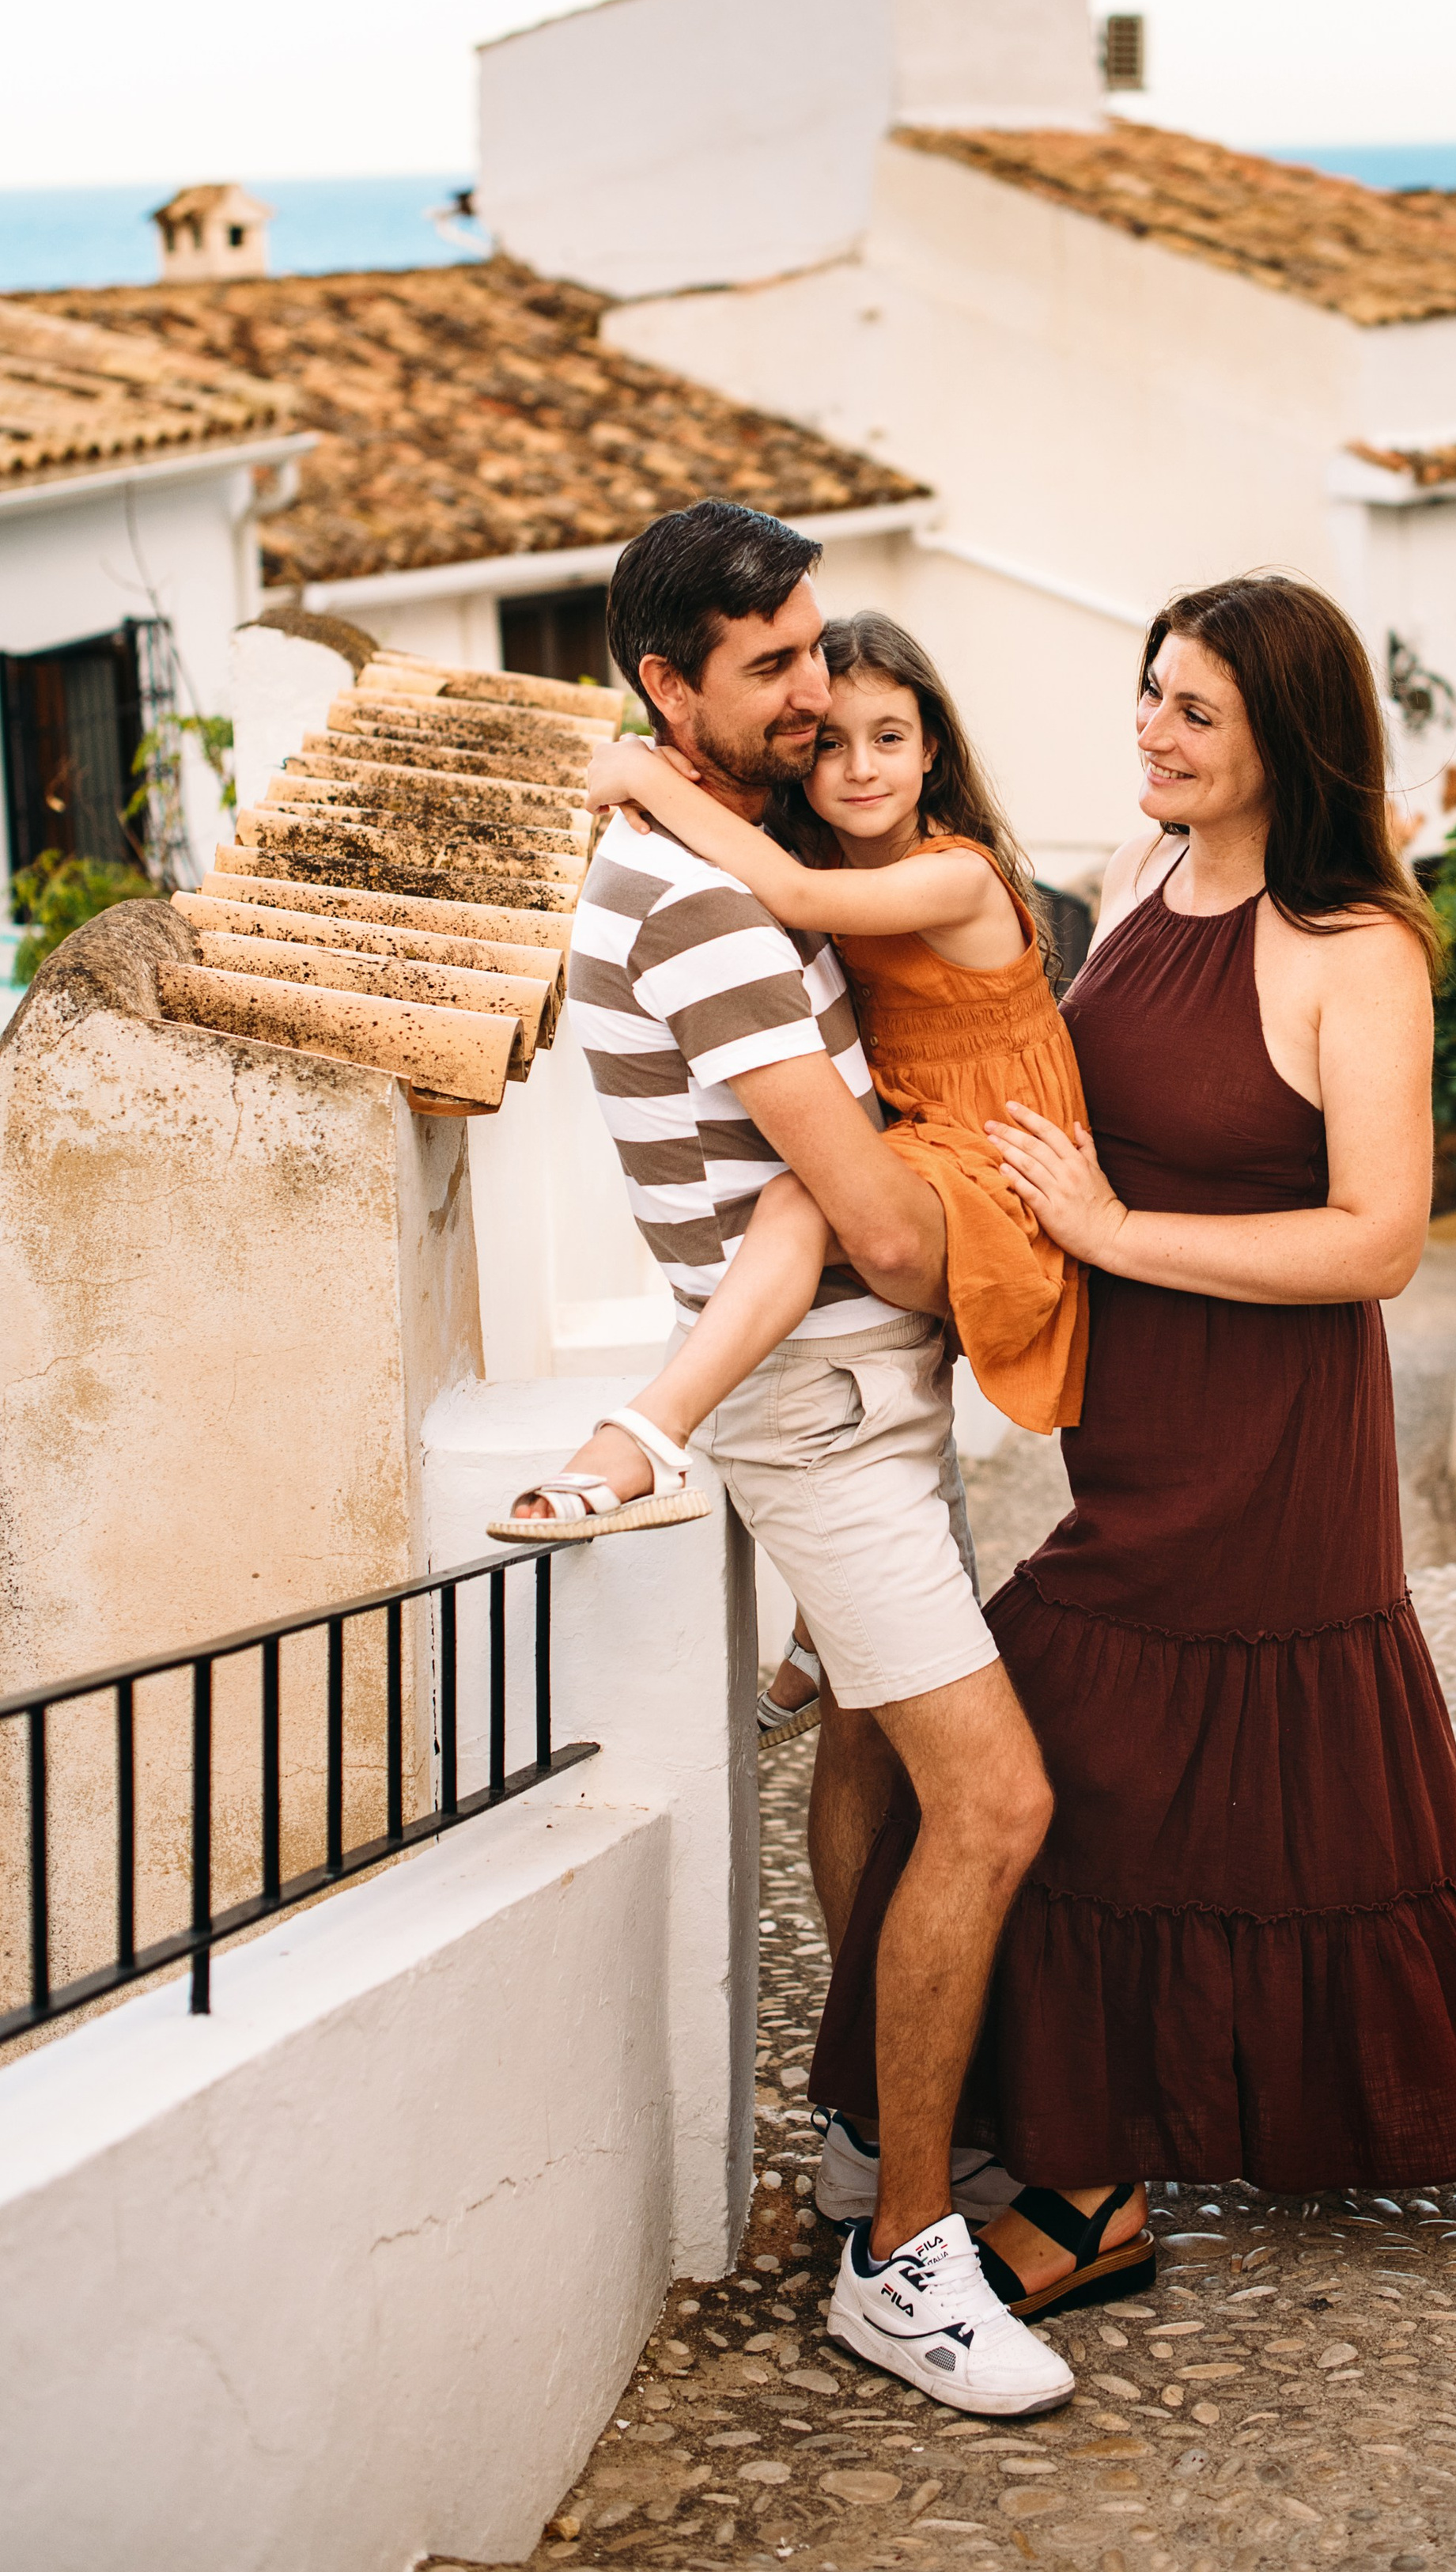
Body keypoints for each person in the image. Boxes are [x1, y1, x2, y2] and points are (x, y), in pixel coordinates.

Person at [811, 572, 1456, 2319]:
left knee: (1064, 1762)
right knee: (1134, 1790)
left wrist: (1111, 1240)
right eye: (1148, 693)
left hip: (1266, 1448)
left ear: (1280, 744)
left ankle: (1085, 2194)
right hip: (1134, 1428)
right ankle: (1055, 2158)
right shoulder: (1147, 874)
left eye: (1191, 712)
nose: (1148, 730)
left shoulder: (1355, 949)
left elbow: (1380, 1241)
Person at [505, 500, 1074, 2419]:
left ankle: (857, 2134)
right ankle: (902, 2256)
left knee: (859, 1741)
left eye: (818, 649)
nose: (816, 692)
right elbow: (889, 1232)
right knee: (992, 1804)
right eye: (769, 669)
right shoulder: (695, 898)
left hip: (849, 1391)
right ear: (663, 682)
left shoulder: (704, 847)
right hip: (823, 1400)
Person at [564, 607, 1090, 1483]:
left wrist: (649, 780)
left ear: (932, 750)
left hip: (997, 1154)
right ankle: (815, 1621)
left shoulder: (955, 878)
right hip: (927, 1137)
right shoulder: (829, 856)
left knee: (798, 1204)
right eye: (831, 745)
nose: (859, 769)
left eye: (889, 737)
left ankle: (651, 1429)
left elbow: (795, 895)